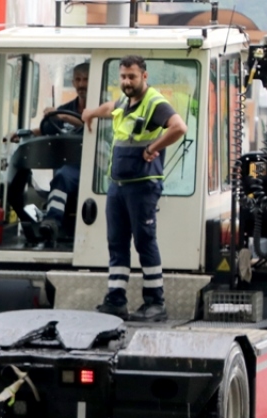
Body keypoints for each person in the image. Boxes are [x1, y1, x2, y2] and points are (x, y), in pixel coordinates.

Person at [83, 55, 187, 322]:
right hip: (118, 185)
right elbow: (111, 107)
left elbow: (179, 128)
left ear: (144, 76)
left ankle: (155, 303)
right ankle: (116, 300)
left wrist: (153, 148)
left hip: (142, 186)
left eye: (132, 77)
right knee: (116, 242)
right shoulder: (126, 101)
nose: (127, 82)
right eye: (123, 77)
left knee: (144, 242)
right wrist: (92, 112)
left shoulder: (154, 103)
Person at [36, 62, 90, 241]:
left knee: (63, 176)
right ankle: (48, 224)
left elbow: (97, 127)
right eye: (78, 80)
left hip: (96, 168)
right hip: (70, 166)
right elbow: (49, 128)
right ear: (73, 82)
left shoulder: (105, 108)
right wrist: (24, 133)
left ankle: (52, 219)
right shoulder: (65, 109)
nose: (82, 84)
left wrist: (64, 117)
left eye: (86, 79)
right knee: (62, 174)